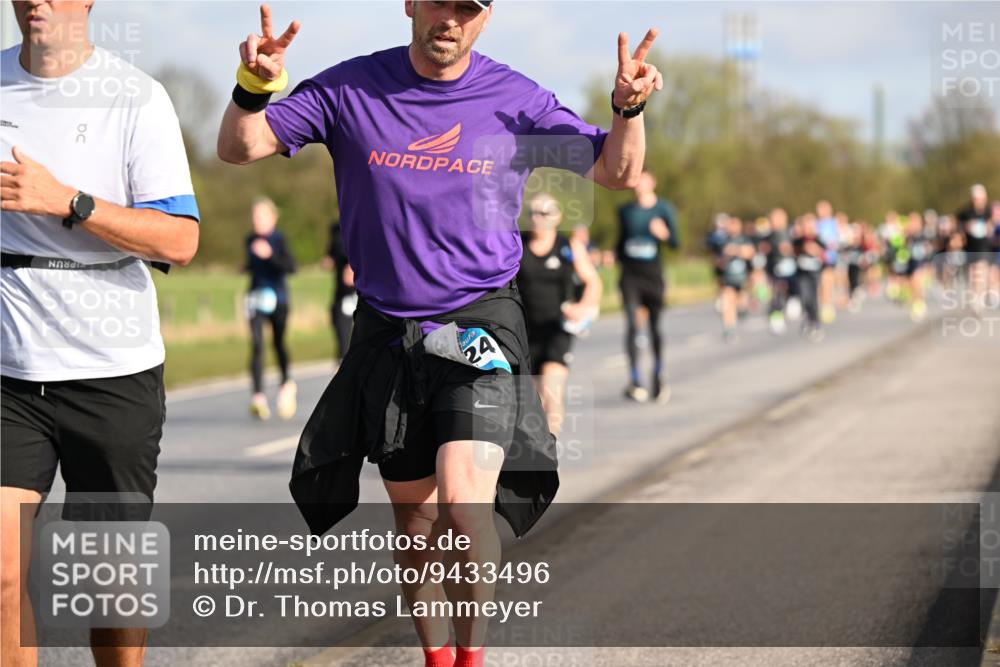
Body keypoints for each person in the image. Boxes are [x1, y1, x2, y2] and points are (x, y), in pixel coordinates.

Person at [216, 3, 662, 665]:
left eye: (467, 7)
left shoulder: (515, 99)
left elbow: (616, 171)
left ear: (484, 18)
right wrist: (254, 86)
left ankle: (472, 657)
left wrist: (629, 111)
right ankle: (436, 657)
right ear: (410, 4)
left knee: (462, 500)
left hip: (479, 319)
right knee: (417, 520)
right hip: (389, 330)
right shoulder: (351, 89)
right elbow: (240, 147)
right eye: (439, 1)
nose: (450, 18)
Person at [1, 1, 200, 665]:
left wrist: (68, 201)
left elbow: (180, 238)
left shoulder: (136, 98)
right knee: (1, 575)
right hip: (9, 374)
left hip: (111, 374)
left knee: (108, 589)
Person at [516, 193, 602, 436]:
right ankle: (536, 445)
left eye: (545, 213)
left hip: (557, 330)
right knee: (532, 401)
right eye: (533, 212)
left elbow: (593, 283)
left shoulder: (568, 247)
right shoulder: (517, 245)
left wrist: (583, 306)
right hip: (524, 332)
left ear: (557, 217)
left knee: (550, 390)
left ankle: (548, 450)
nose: (538, 218)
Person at [615, 168, 678, 402]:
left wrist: (663, 234)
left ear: (653, 183)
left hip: (653, 275)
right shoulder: (625, 211)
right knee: (632, 325)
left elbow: (675, 242)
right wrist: (613, 256)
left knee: (655, 327)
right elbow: (621, 243)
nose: (639, 185)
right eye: (637, 181)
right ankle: (635, 381)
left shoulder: (664, 209)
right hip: (630, 276)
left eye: (644, 180)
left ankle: (658, 377)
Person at [245, 196, 297, 420]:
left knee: (278, 342)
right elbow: (251, 266)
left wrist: (270, 256)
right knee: (256, 344)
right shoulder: (249, 240)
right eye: (254, 217)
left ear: (272, 218)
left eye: (261, 216)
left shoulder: (279, 239)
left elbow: (290, 267)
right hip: (256, 296)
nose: (257, 221)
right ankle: (258, 397)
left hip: (279, 298)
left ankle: (286, 383)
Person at [713, 214, 755, 343]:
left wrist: (736, 251)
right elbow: (717, 261)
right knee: (727, 301)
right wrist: (723, 258)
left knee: (740, 303)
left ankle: (742, 310)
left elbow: (750, 253)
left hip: (742, 277)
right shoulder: (722, 240)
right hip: (728, 278)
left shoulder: (744, 239)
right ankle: (729, 328)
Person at [322, 219, 356, 363]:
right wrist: (329, 260)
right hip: (340, 288)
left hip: (359, 287)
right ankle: (344, 361)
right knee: (338, 323)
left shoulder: (362, 220)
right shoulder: (336, 228)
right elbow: (333, 250)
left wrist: (352, 266)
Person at [956, 184, 991, 313]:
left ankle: (981, 297)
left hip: (984, 247)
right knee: (972, 274)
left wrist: (990, 227)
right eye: (976, 199)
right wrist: (965, 228)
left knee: (981, 271)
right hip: (970, 247)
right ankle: (974, 296)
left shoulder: (988, 212)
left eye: (981, 199)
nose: (979, 202)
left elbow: (993, 226)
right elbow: (957, 228)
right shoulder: (965, 213)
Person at [762, 207, 796, 334]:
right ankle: (776, 316)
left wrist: (789, 250)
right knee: (776, 293)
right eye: (772, 219)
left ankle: (792, 300)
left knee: (790, 288)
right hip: (774, 269)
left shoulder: (791, 233)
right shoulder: (768, 235)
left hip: (791, 270)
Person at [793, 214, 826, 342]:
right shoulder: (798, 240)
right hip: (802, 273)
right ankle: (808, 319)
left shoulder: (818, 239)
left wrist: (815, 251)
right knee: (804, 296)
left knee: (813, 298)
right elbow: (793, 253)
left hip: (814, 272)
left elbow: (825, 255)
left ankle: (815, 322)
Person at [815, 199, 840, 324]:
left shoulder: (833, 223)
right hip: (818, 257)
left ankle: (826, 304)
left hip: (829, 257)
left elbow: (835, 240)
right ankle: (823, 303)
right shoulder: (816, 224)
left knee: (827, 280)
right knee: (820, 282)